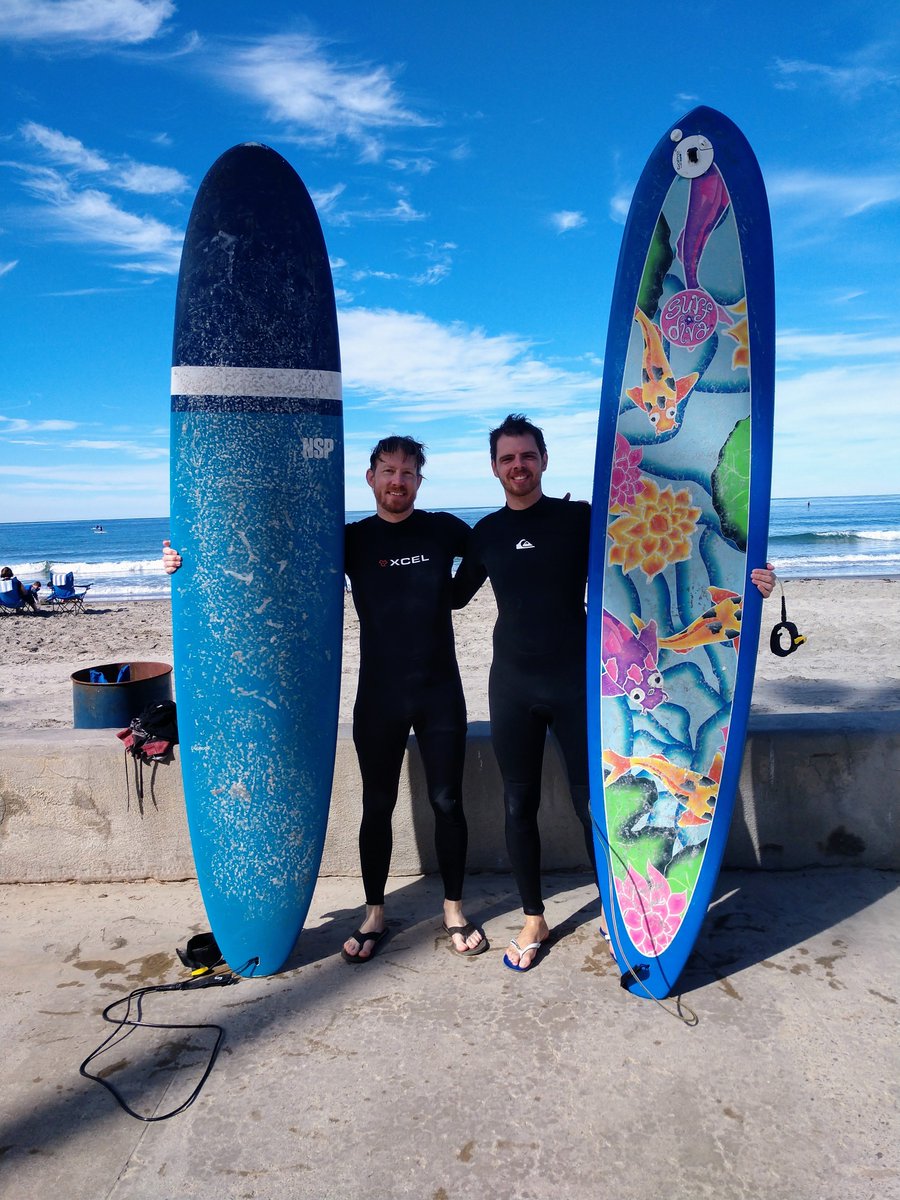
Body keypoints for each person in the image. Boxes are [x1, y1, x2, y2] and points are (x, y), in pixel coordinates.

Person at [452, 413, 776, 972]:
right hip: (511, 686)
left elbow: (669, 547)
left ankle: (617, 910)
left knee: (593, 803)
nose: (518, 466)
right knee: (516, 803)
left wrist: (748, 568)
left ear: (544, 460)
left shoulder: (580, 519)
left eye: (527, 455)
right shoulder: (486, 534)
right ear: (494, 468)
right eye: (507, 458)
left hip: (577, 682)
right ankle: (534, 919)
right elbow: (450, 597)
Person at [163, 435, 487, 964]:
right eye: (388, 470)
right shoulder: (350, 540)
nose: (398, 481)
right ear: (370, 477)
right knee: (376, 806)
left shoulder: (443, 529)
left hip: (440, 694)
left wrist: (458, 593)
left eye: (408, 473)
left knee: (447, 802)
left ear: (419, 482)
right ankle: (375, 913)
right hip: (379, 696)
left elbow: (492, 550)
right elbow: (266, 559)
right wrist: (188, 561)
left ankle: (453, 909)